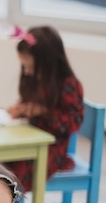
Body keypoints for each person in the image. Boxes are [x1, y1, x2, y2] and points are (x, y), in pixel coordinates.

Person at [6, 25, 84, 191]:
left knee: (11, 173)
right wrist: (22, 109)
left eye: (30, 67)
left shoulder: (67, 85)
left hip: (52, 150)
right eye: (24, 66)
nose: (27, 72)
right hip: (31, 141)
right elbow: (32, 104)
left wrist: (42, 112)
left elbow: (73, 122)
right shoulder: (35, 80)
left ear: (48, 63)